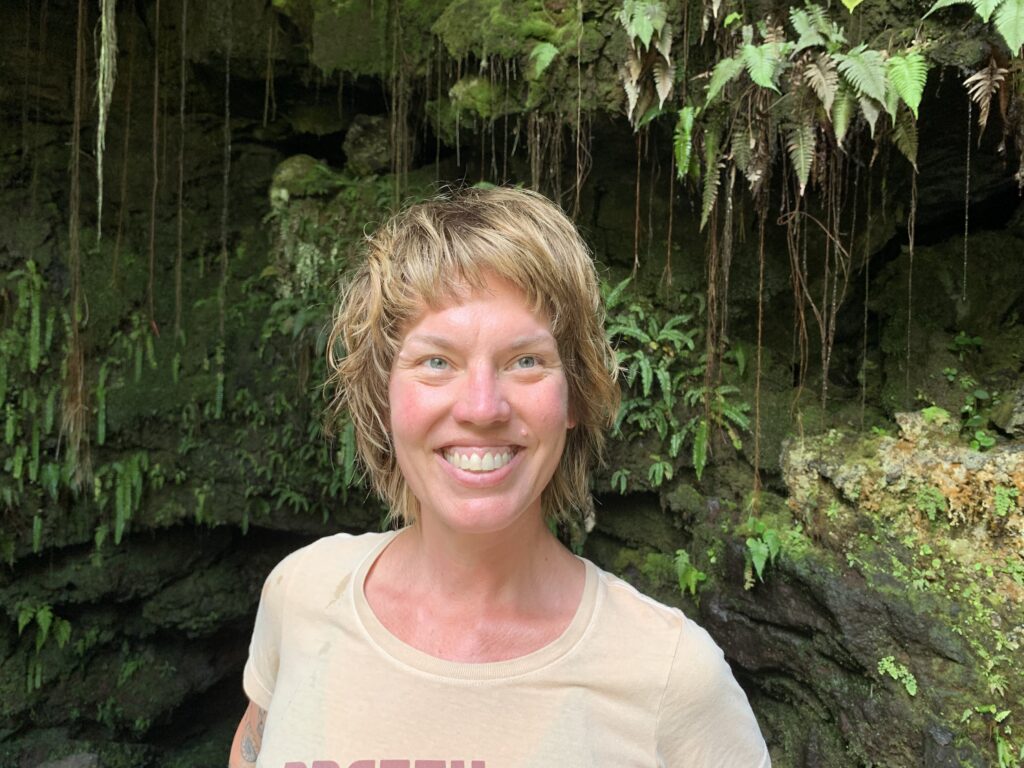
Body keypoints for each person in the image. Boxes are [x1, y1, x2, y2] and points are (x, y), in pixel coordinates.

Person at [229, 187, 770, 768]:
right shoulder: (303, 594)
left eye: (526, 361)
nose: (482, 407)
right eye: (437, 361)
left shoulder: (670, 677)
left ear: (574, 398)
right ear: (384, 395)